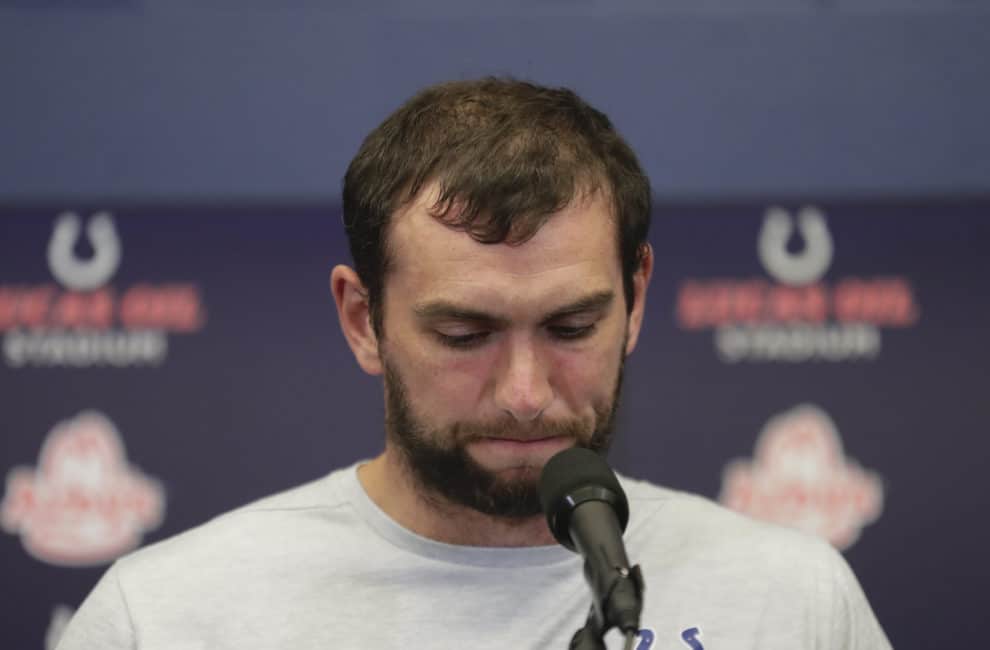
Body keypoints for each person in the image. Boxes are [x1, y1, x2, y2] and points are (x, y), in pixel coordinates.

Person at [57, 78, 891, 649]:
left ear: (635, 300)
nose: (526, 396)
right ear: (362, 320)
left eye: (571, 327)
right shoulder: (166, 619)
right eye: (464, 335)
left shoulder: (792, 601)